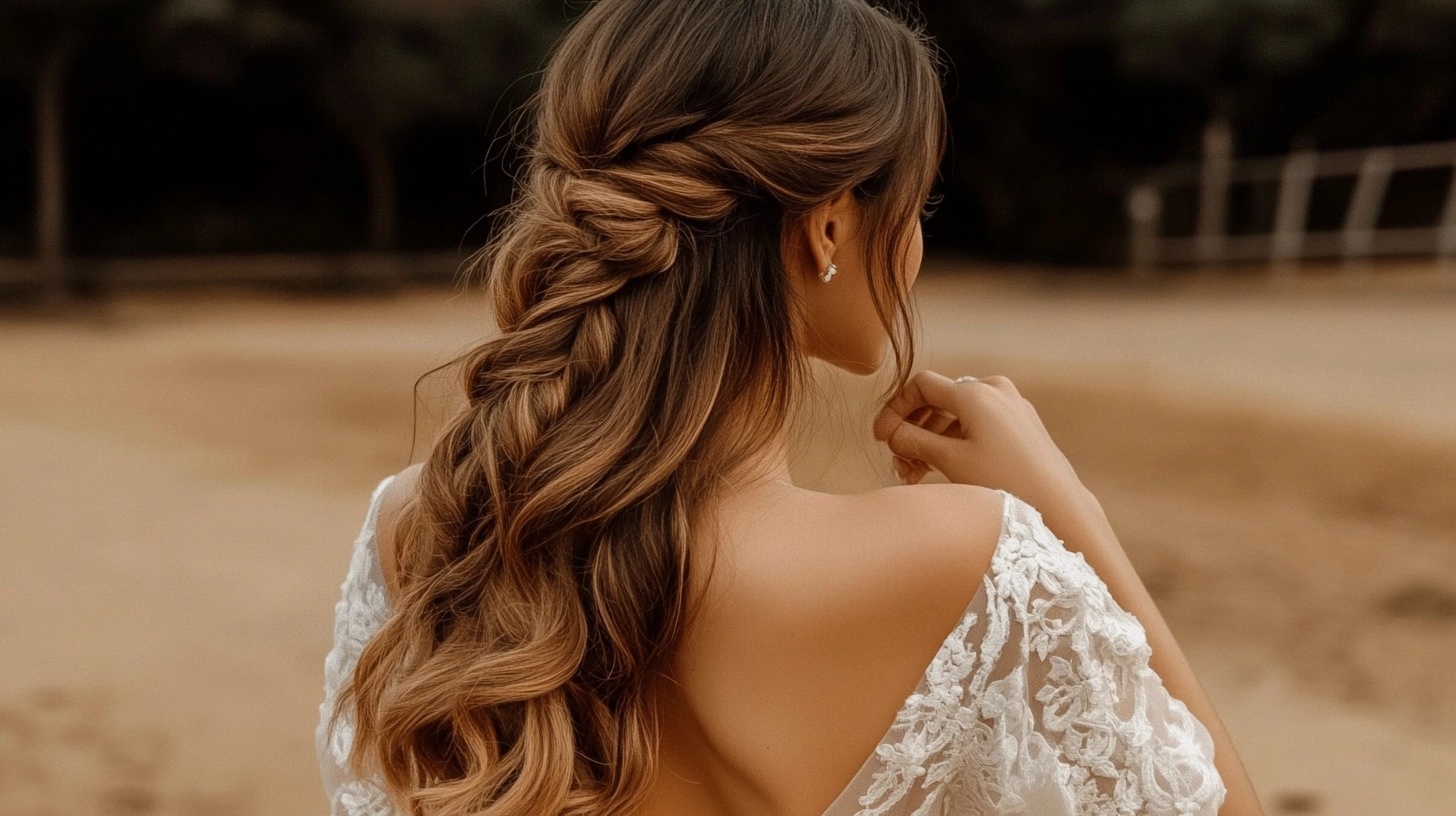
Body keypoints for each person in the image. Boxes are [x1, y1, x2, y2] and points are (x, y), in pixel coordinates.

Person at [317, 0, 1265, 813]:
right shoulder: (962, 558)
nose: (917, 248)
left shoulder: (425, 529)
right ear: (827, 229)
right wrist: (1072, 519)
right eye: (919, 209)